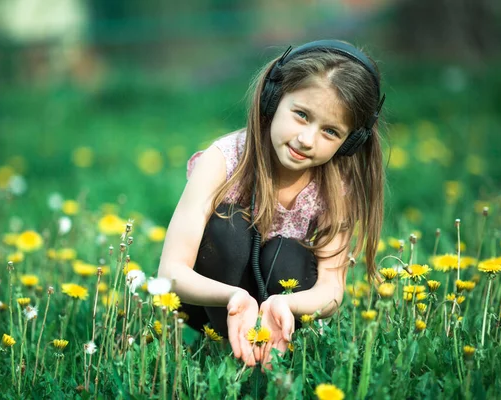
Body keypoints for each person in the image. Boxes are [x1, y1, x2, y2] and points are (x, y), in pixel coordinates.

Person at [157, 39, 385, 368]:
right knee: (229, 229)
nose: (307, 140)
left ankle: (274, 356)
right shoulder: (223, 161)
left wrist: (285, 305)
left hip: (285, 311)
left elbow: (331, 291)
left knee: (288, 254)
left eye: (331, 132)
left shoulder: (337, 190)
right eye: (302, 115)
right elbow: (171, 271)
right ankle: (228, 352)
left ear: (351, 142)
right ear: (273, 99)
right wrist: (235, 298)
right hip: (209, 304)